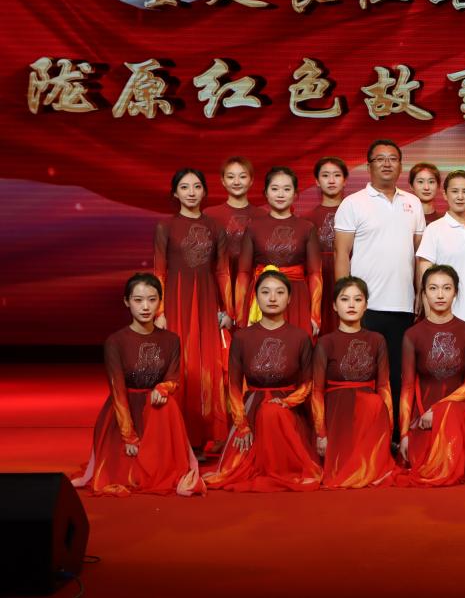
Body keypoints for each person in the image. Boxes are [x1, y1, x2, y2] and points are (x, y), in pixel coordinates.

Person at [72, 274, 204, 496]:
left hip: (157, 411)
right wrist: (129, 435)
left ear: (160, 302)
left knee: (167, 410)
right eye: (138, 300)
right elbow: (117, 390)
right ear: (126, 301)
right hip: (125, 412)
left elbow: (174, 379)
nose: (145, 307)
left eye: (152, 300)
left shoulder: (171, 340)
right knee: (127, 474)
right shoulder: (115, 342)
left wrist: (163, 388)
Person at [334, 139, 425, 447]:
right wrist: (343, 299)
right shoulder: (353, 203)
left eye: (393, 158)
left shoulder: (413, 203)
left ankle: (396, 438)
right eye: (380, 159)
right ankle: (361, 440)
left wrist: (420, 294)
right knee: (362, 373)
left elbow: (419, 255)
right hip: (364, 307)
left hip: (402, 306)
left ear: (400, 165)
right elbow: (341, 254)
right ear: (369, 165)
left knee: (397, 376)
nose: (387, 163)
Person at [204, 269, 322, 492]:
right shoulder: (242, 337)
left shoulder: (300, 337)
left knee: (273, 412)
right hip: (251, 409)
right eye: (266, 292)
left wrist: (286, 402)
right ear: (256, 297)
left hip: (289, 408)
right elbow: (234, 386)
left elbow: (308, 384)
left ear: (290, 298)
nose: (272, 298)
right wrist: (241, 424)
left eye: (280, 292)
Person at [153, 168, 232, 457]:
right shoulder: (165, 227)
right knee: (180, 366)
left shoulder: (215, 227)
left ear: (204, 192)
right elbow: (159, 271)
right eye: (184, 187)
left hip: (207, 301)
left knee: (205, 366)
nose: (191, 192)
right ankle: (177, 436)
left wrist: (228, 309)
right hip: (176, 300)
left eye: (197, 186)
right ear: (175, 193)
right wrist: (159, 310)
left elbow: (222, 271)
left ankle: (200, 438)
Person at [398, 266, 465, 486]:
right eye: (433, 288)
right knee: (422, 467)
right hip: (424, 416)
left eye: (446, 288)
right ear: (423, 293)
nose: (440, 295)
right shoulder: (413, 334)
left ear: (455, 292)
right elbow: (408, 387)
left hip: (460, 410)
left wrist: (438, 410)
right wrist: (404, 434)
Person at [312, 276, 395, 488]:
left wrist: (389, 426)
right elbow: (317, 391)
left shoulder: (377, 340)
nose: (351, 305)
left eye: (358, 299)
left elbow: (384, 386)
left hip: (370, 412)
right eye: (344, 299)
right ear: (334, 305)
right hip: (337, 412)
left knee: (373, 401)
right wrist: (321, 433)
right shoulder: (325, 342)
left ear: (365, 305)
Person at [236, 166, 322, 337]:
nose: (280, 194)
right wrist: (240, 312)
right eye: (275, 189)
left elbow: (315, 274)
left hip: (296, 296)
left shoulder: (307, 227)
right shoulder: (253, 227)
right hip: (262, 294)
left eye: (287, 189)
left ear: (295, 194)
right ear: (266, 193)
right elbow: (243, 273)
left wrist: (315, 314)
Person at [416, 171, 465, 340]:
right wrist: (430, 318)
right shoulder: (434, 229)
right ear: (445, 194)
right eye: (455, 191)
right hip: (445, 324)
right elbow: (425, 277)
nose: (460, 197)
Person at [205, 156, 266, 292]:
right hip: (218, 284)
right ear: (223, 181)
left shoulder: (263, 216)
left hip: (253, 284)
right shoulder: (209, 214)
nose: (236, 182)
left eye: (242, 177)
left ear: (251, 180)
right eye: (231, 177)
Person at [304, 157, 348, 338]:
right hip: (317, 281)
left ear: (345, 180)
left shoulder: (356, 214)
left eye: (337, 175)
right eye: (325, 175)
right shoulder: (306, 218)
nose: (331, 180)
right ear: (317, 181)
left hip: (349, 276)